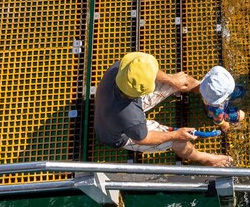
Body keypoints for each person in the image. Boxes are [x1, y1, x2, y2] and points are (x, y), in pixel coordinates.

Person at [93, 52, 233, 166]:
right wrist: (175, 135)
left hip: (117, 101)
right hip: (121, 135)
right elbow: (142, 138)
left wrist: (172, 80)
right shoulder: (131, 118)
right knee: (179, 141)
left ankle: (206, 96)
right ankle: (204, 158)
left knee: (182, 80)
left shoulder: (122, 69)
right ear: (143, 92)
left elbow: (149, 70)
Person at [196, 66, 246, 132]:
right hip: (215, 109)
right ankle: (226, 112)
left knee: (241, 91)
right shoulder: (217, 110)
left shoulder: (208, 84)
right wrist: (224, 124)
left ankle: (230, 99)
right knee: (240, 115)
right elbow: (218, 119)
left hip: (215, 97)